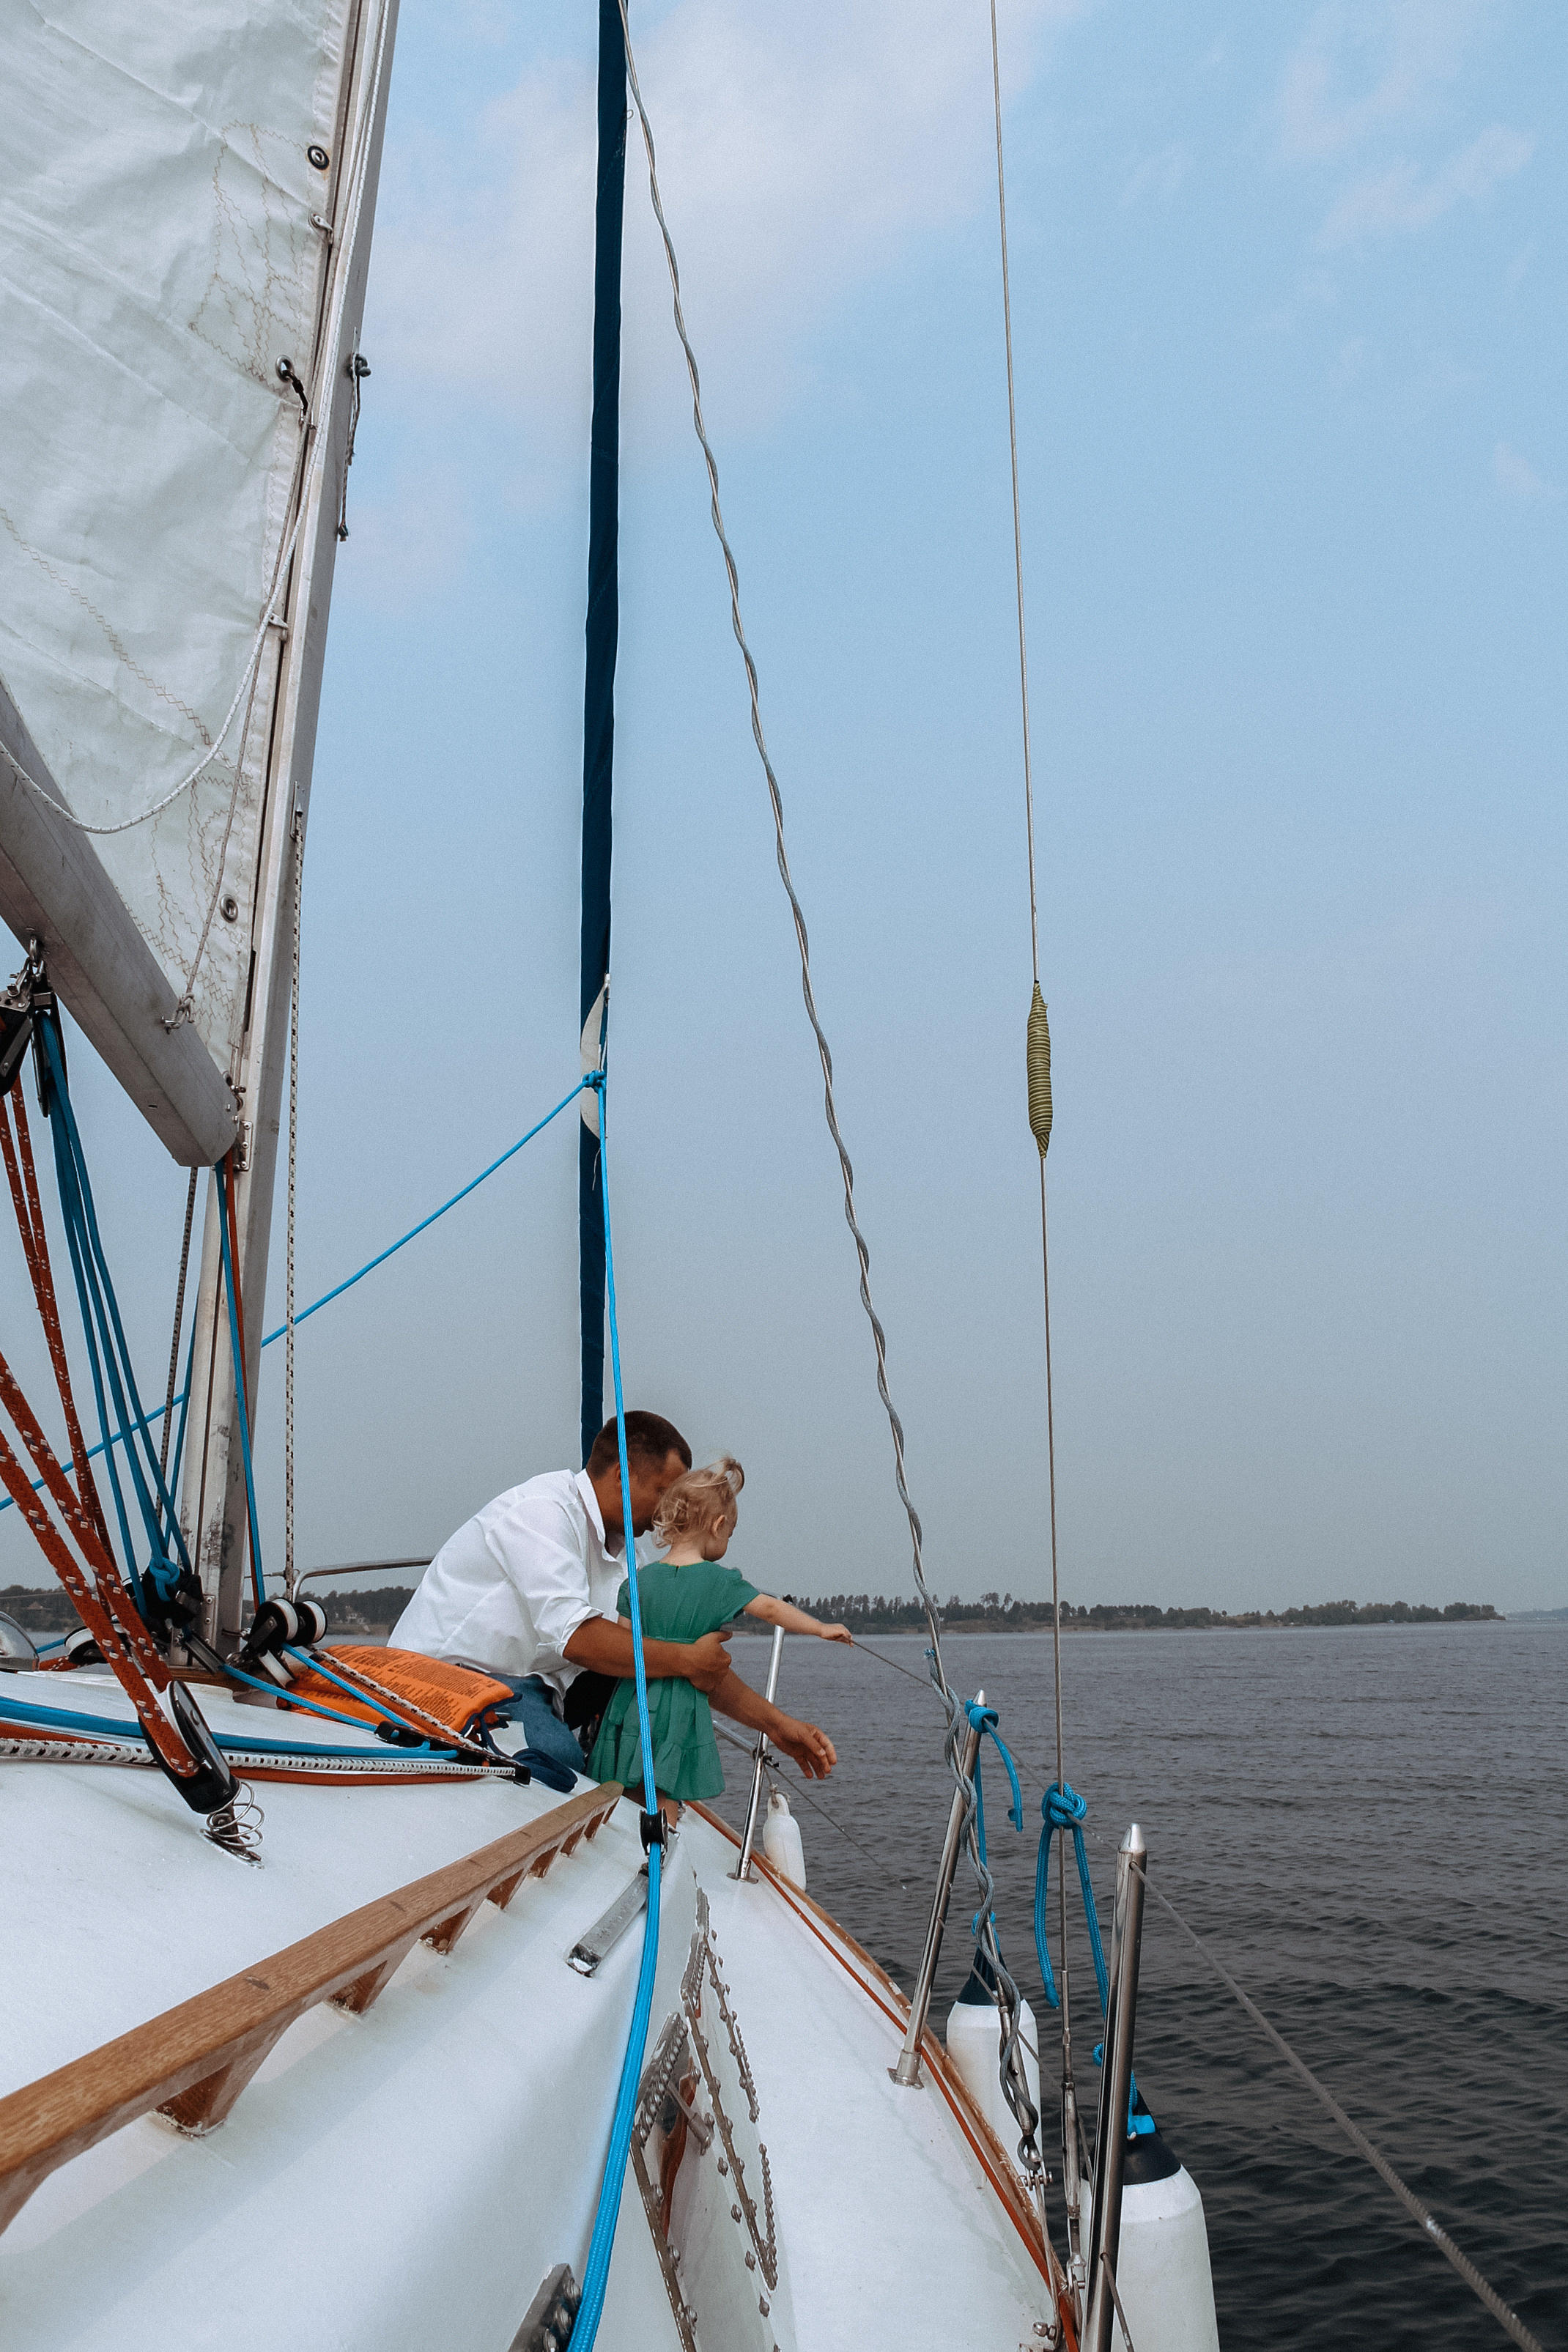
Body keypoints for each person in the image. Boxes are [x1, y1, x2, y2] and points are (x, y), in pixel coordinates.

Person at [389, 1410, 837, 1787]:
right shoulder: (542, 1512)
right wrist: (686, 1659)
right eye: (664, 1493)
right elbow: (579, 1639)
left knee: (608, 1737)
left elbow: (689, 1663)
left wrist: (778, 1726)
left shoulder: (632, 1559)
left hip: (533, 1691)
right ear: (623, 1474)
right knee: (562, 1763)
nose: (666, 1513)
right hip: (447, 1677)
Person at [589, 1456, 848, 1819]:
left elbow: (623, 1644)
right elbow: (770, 1609)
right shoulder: (720, 1582)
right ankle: (663, 1839)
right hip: (678, 1705)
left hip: (632, 1700)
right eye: (730, 1533)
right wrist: (820, 1628)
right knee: (664, 1788)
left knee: (631, 1781)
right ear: (718, 1525)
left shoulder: (638, 1581)